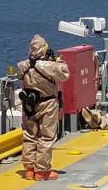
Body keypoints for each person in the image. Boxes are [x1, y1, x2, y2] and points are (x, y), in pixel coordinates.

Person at [16, 35, 70, 181]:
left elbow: (21, 75)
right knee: (46, 136)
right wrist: (58, 61)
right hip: (47, 103)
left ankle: (29, 169)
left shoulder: (22, 66)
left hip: (29, 104)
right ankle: (42, 171)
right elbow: (65, 74)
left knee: (29, 135)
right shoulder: (50, 66)